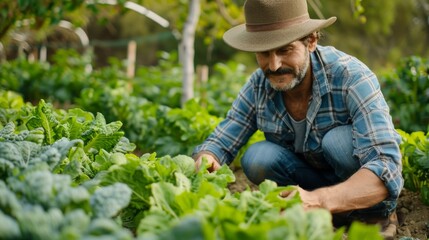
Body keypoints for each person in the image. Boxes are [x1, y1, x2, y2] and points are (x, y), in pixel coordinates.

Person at [192, 0, 403, 238]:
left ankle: (374, 213)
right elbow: (222, 140)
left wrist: (319, 199)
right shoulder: (259, 85)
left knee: (337, 142)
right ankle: (323, 211)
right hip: (310, 181)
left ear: (311, 41)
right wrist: (207, 158)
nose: (274, 65)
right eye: (264, 53)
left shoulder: (351, 77)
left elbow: (387, 167)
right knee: (258, 157)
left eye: (285, 50)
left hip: (356, 189)